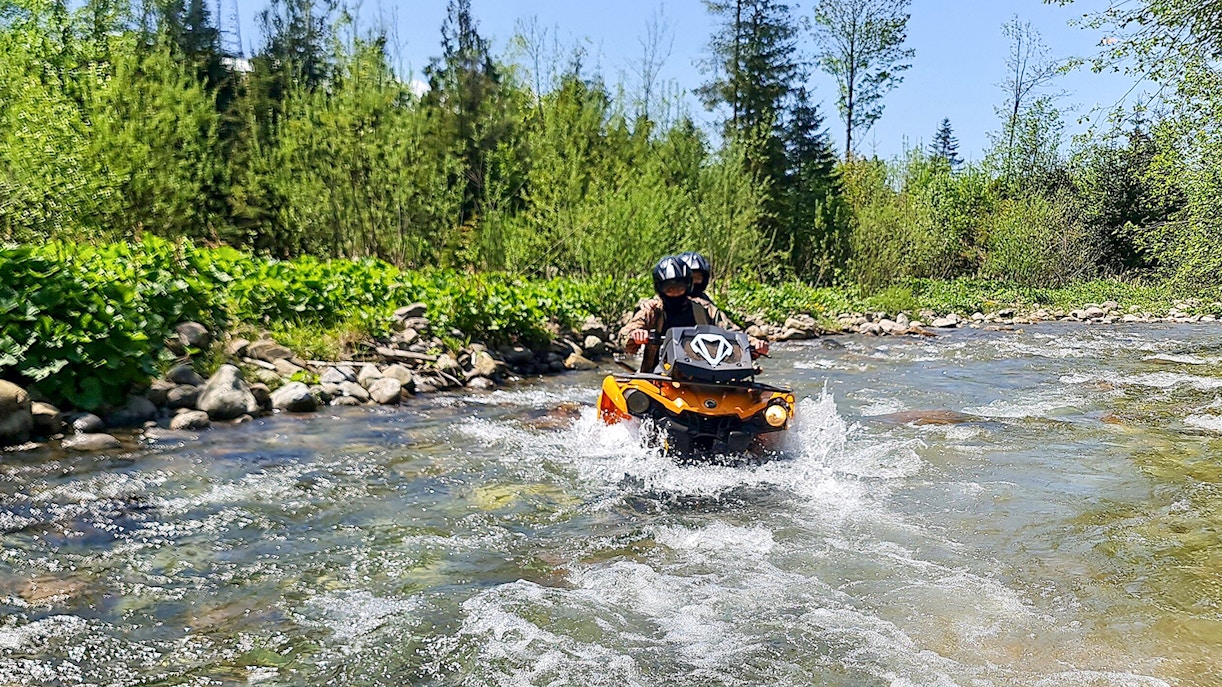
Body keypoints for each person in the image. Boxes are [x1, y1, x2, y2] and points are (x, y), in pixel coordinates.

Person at [620, 256, 768, 361]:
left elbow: (732, 332)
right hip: (659, 376)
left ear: (688, 286)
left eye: (680, 287)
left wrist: (753, 343)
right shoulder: (652, 310)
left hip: (704, 373)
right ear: (660, 288)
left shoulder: (704, 309)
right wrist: (635, 334)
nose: (675, 292)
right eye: (669, 288)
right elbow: (625, 333)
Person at [675, 250, 770, 357]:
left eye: (698, 277)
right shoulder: (657, 307)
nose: (694, 282)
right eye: (690, 278)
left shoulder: (705, 306)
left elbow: (727, 328)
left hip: (700, 359)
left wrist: (751, 342)